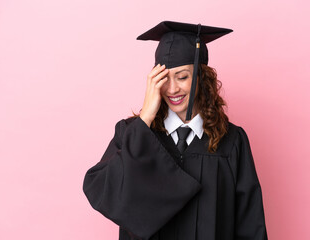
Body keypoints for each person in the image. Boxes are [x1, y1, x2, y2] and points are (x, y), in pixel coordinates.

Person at [83, 21, 268, 240]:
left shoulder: (232, 141)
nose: (172, 89)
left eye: (182, 77)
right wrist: (146, 119)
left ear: (201, 77)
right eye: (163, 79)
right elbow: (102, 188)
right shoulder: (132, 132)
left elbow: (250, 225)